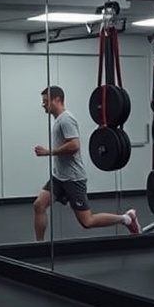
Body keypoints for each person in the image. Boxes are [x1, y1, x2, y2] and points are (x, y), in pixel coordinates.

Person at [33, 86, 140, 241]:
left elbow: (74, 145)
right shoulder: (58, 120)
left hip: (73, 179)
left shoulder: (66, 119)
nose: (43, 104)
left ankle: (127, 219)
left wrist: (48, 152)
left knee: (87, 222)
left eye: (46, 101)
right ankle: (39, 245)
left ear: (57, 99)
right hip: (59, 177)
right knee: (39, 205)